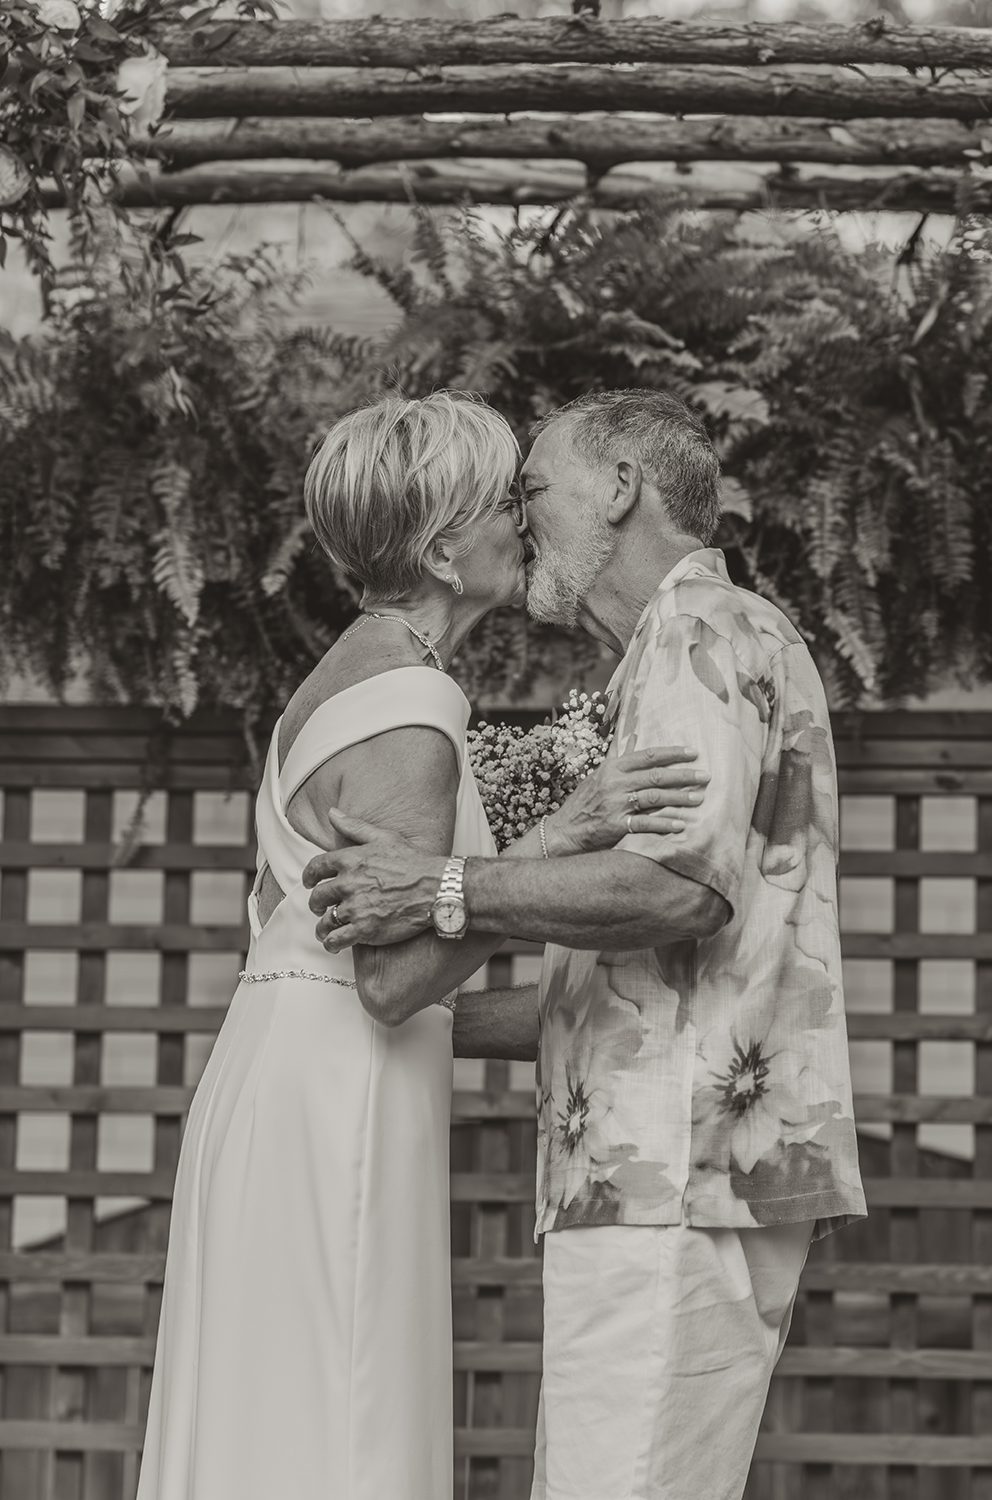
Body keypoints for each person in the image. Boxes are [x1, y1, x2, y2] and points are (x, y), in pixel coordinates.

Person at [136, 391, 705, 1500]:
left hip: (289, 1069)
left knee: (283, 1412)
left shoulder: (351, 669)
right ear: (446, 549)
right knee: (339, 1420)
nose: (522, 519)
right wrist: (562, 834)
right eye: (504, 500)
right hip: (338, 1100)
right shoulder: (410, 701)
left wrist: (582, 1006)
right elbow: (394, 980)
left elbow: (378, 946)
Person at [304, 388, 867, 1500]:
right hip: (666, 1166)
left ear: (620, 488)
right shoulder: (691, 643)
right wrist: (411, 1012)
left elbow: (675, 897)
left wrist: (443, 887)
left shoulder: (701, 628)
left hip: (672, 1174)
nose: (519, 517)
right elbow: (638, 983)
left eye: (536, 489)